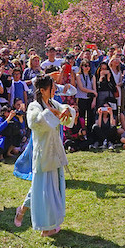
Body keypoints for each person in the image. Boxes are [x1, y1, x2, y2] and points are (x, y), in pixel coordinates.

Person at [13, 75, 76, 236]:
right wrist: (50, 113)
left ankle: (24, 210)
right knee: (44, 190)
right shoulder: (34, 106)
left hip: (55, 150)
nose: (55, 90)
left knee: (49, 189)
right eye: (52, 88)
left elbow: (64, 113)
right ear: (42, 90)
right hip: (43, 153)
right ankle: (45, 227)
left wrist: (68, 110)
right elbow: (34, 123)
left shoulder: (53, 102)